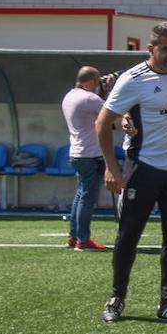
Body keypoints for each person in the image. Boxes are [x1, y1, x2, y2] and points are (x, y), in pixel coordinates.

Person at [95, 23, 167, 323]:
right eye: (166, 49)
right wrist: (112, 168)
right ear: (151, 49)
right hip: (142, 168)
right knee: (128, 236)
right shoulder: (133, 80)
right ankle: (117, 298)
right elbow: (102, 123)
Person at [61, 66, 109, 251]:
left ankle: (73, 236)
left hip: (77, 152)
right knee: (87, 198)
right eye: (97, 82)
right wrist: (106, 92)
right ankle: (83, 239)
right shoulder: (89, 98)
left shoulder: (69, 96)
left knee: (80, 195)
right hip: (90, 154)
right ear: (90, 82)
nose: (98, 86)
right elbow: (110, 113)